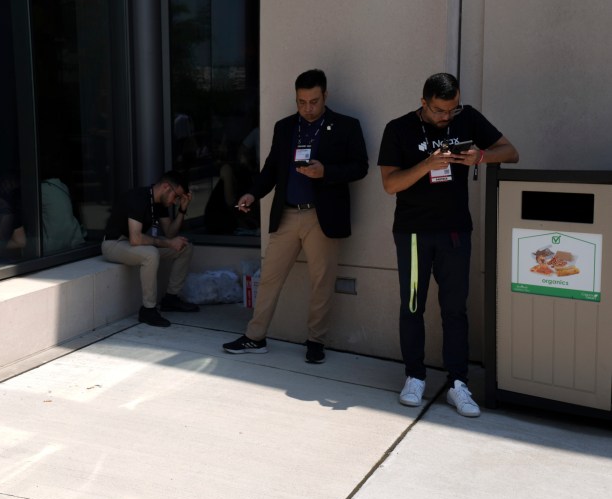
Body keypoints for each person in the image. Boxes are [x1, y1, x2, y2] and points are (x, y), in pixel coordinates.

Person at [378, 72, 519, 418]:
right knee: (413, 305)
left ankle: (458, 383)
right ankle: (415, 376)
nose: (446, 117)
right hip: (412, 232)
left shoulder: (467, 118)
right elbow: (390, 184)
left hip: (455, 231)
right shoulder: (399, 129)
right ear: (423, 102)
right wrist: (428, 164)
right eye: (440, 111)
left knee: (455, 309)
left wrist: (481, 157)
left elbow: (511, 152)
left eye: (451, 110)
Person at [222, 69, 369, 362]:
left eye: (314, 101)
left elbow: (360, 167)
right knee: (270, 278)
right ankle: (255, 336)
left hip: (321, 216)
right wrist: (253, 193)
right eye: (302, 102)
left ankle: (316, 341)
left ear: (325, 96)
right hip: (288, 213)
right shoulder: (285, 127)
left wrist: (325, 171)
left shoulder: (345, 126)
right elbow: (271, 170)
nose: (307, 108)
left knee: (321, 282)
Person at [102, 171, 200, 327]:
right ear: (166, 187)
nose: (175, 201)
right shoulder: (138, 197)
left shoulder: (160, 202)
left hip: (133, 243)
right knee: (151, 254)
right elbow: (136, 239)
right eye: (176, 197)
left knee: (185, 247)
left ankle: (171, 298)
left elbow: (170, 233)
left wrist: (182, 210)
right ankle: (148, 310)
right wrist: (168, 243)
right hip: (114, 244)